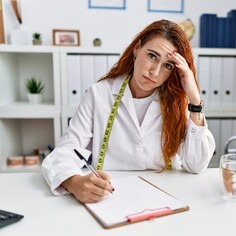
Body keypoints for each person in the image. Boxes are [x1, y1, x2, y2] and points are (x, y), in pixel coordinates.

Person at [42, 19, 216, 203]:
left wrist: (195, 100)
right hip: (110, 197)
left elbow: (197, 165)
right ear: (137, 48)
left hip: (165, 198)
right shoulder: (99, 94)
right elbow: (65, 152)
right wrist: (74, 182)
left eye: (168, 65)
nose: (155, 72)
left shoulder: (177, 102)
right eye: (152, 56)